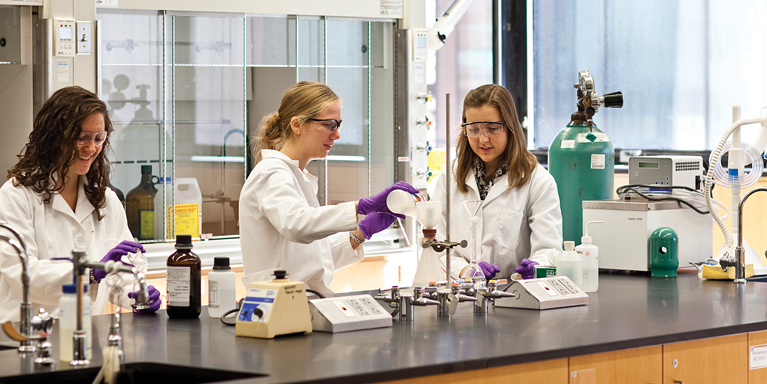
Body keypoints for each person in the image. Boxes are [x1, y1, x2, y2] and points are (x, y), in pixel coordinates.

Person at [0, 86, 161, 324]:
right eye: (81, 137)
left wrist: (136, 293)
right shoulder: (16, 197)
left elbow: (118, 269)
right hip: (24, 333)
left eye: (99, 138)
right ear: (55, 137)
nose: (91, 148)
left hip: (85, 332)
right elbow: (23, 275)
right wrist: (88, 272)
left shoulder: (105, 200)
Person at [239, 81, 417, 295]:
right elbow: (297, 225)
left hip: (302, 302)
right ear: (297, 125)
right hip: (278, 305)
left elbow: (312, 260)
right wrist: (361, 207)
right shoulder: (271, 173)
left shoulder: (297, 177)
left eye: (338, 125)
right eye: (329, 125)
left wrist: (361, 232)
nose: (337, 134)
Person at [429, 84, 563, 281]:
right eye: (473, 129)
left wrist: (536, 267)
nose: (483, 139)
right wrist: (465, 270)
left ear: (510, 126)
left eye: (492, 129)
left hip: (513, 295)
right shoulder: (451, 174)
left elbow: (549, 248)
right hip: (461, 295)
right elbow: (435, 240)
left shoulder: (538, 181)